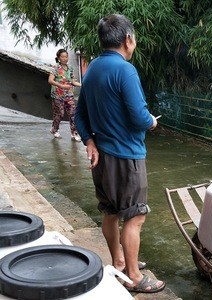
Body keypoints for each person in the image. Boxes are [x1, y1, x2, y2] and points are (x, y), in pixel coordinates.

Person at [74, 14, 165, 293]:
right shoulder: (125, 70)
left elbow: (79, 115)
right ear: (128, 39)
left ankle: (119, 261)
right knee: (135, 216)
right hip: (127, 157)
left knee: (110, 211)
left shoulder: (93, 69)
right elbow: (138, 117)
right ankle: (135, 277)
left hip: (101, 157)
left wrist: (89, 141)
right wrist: (152, 121)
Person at [48, 49, 82, 141]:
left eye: (66, 56)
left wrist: (83, 85)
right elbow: (50, 80)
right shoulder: (55, 67)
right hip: (57, 95)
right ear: (59, 58)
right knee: (60, 113)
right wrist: (61, 85)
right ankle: (54, 129)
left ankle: (74, 133)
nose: (65, 58)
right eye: (62, 57)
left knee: (73, 113)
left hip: (69, 94)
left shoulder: (70, 68)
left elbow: (72, 82)